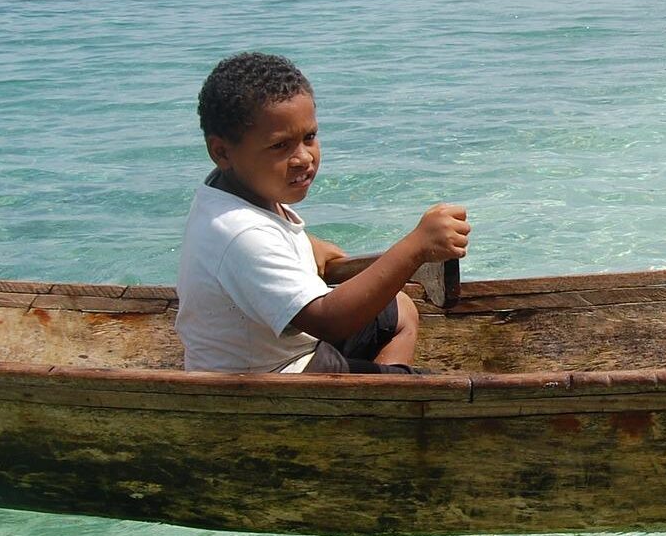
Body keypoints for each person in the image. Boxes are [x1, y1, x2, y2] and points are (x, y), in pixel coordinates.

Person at [176, 52, 470, 374]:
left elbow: (257, 237)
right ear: (221, 151)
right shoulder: (241, 234)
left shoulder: (233, 191)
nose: (303, 158)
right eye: (279, 146)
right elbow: (331, 322)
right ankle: (382, 407)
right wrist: (415, 247)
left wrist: (302, 243)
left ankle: (377, 403)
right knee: (427, 388)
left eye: (309, 137)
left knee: (400, 310)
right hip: (271, 380)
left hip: (272, 350)